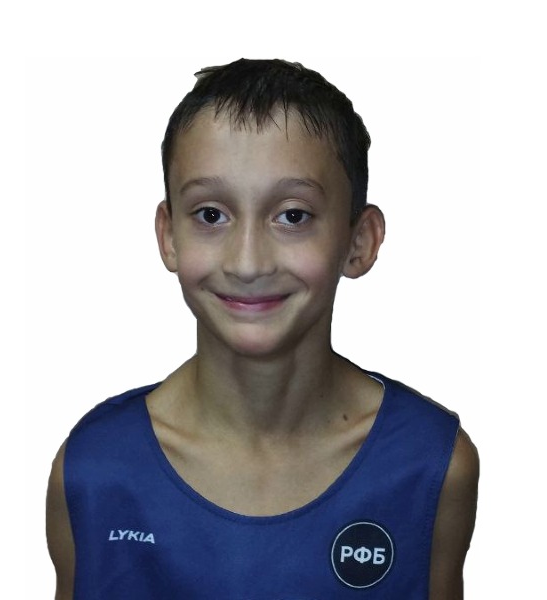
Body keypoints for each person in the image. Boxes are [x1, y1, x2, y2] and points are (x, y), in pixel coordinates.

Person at [46, 58, 479, 599]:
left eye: (293, 215)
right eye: (211, 214)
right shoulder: (93, 469)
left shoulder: (432, 466)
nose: (248, 262)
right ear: (169, 236)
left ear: (359, 241)